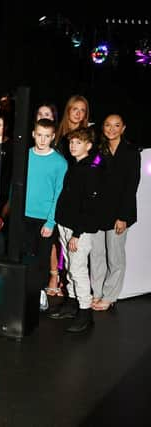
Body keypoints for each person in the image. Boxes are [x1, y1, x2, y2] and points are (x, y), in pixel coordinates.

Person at [48, 128, 104, 333]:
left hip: (78, 230)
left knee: (78, 270)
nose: (73, 146)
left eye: (78, 143)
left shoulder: (91, 170)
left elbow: (90, 206)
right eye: (71, 142)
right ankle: (72, 303)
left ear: (88, 146)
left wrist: (78, 233)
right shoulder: (76, 165)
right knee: (70, 267)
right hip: (65, 224)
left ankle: (85, 311)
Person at [89, 114, 141, 312]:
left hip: (119, 213)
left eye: (116, 125)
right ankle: (97, 293)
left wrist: (124, 217)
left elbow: (131, 187)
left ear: (123, 128)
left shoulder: (130, 152)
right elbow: (92, 173)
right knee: (97, 255)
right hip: (97, 212)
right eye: (108, 125)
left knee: (115, 257)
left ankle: (110, 296)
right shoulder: (99, 150)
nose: (111, 129)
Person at [24, 119, 67, 295]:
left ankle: (39, 294)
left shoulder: (59, 162)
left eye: (47, 136)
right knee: (25, 257)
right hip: (24, 216)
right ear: (33, 134)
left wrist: (50, 222)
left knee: (42, 261)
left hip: (44, 219)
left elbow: (59, 194)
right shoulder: (25, 155)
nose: (42, 140)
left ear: (53, 137)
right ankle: (24, 294)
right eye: (39, 135)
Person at [56, 95, 90, 163]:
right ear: (68, 110)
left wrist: (92, 167)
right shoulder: (56, 131)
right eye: (75, 109)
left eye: (82, 110)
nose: (78, 113)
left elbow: (99, 158)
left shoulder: (89, 134)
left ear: (85, 115)